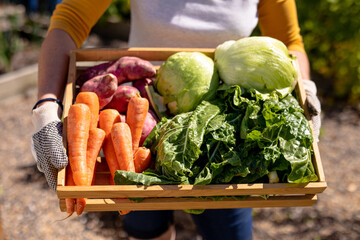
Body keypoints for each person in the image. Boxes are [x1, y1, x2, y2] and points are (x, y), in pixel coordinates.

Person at [30, 1, 321, 239]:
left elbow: (290, 42)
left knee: (229, 232)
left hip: (226, 130)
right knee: (147, 231)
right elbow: (69, 20)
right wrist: (46, 105)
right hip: (140, 117)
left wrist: (304, 87)